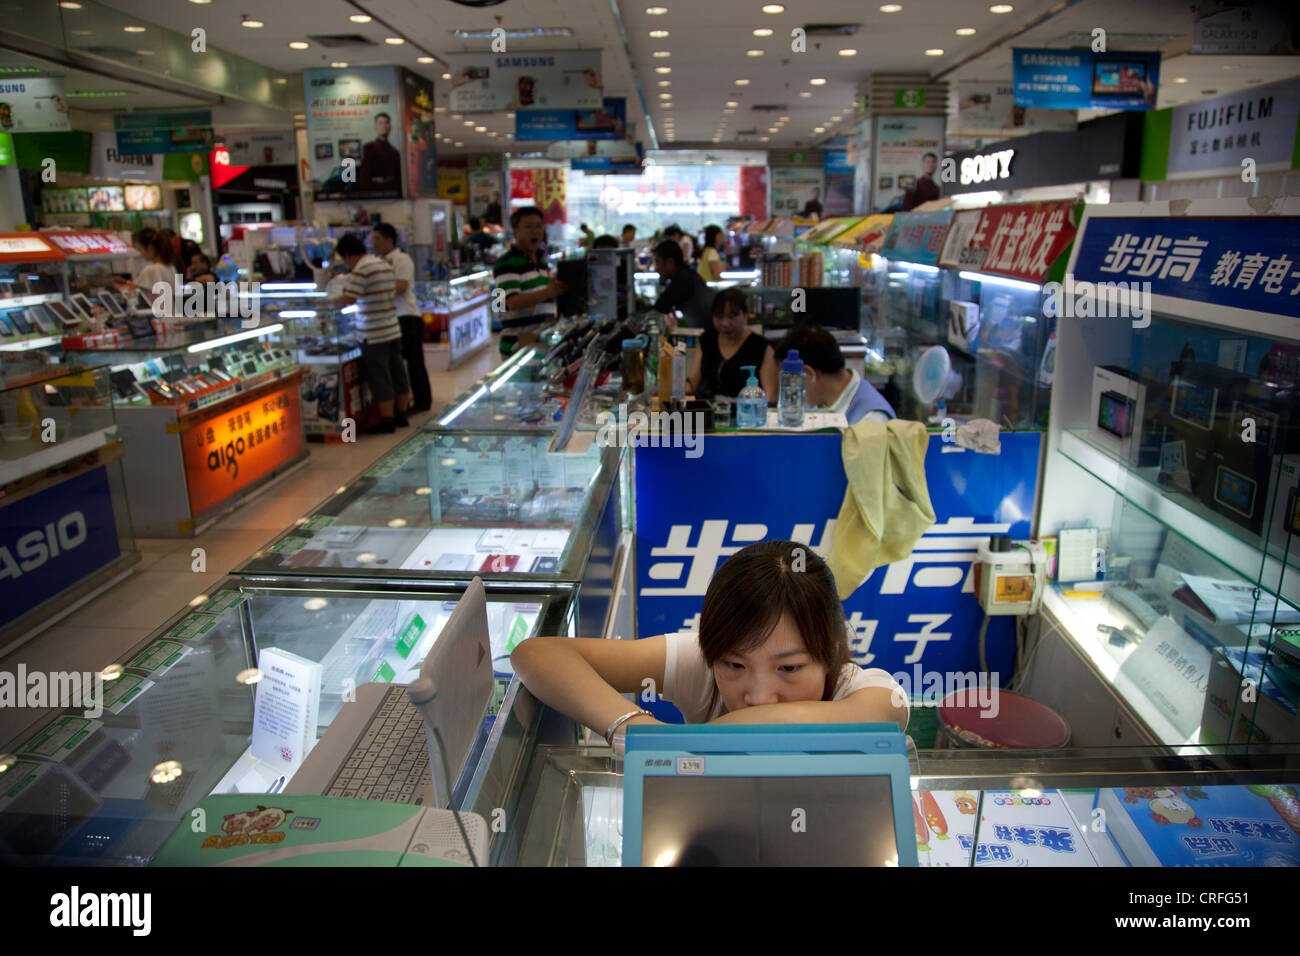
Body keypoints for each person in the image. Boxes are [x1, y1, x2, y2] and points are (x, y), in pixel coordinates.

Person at [511, 540, 908, 752]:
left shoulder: (871, 693)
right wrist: (633, 727)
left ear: (833, 651)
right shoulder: (700, 661)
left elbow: (880, 717)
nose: (759, 696)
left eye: (789, 668)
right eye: (734, 666)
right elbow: (538, 654)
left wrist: (672, 744)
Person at [334, 232, 410, 433]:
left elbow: (350, 298)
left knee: (381, 377)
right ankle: (402, 415)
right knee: (398, 373)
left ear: (348, 256)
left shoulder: (361, 269)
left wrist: (330, 301)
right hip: (392, 328)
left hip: (374, 333)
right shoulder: (382, 264)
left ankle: (387, 421)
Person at [774, 325, 896, 424]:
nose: (793, 388)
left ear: (809, 374)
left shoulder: (872, 419)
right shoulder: (819, 399)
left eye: (793, 380)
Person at [372, 222, 431, 414]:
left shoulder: (401, 259)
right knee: (398, 365)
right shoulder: (376, 261)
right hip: (390, 319)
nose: (374, 243)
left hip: (407, 317)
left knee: (414, 363)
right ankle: (402, 403)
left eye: (377, 238)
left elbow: (402, 285)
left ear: (390, 239)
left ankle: (423, 401)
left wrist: (376, 291)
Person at [492, 205, 565, 355]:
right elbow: (510, 302)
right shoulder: (506, 263)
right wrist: (548, 292)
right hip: (518, 343)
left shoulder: (542, 262)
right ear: (515, 230)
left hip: (540, 339)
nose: (536, 231)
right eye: (529, 226)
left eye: (539, 226)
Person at [688, 287, 777, 400]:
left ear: (745, 315)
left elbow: (771, 394)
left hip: (747, 412)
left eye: (732, 316)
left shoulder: (761, 347)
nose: (725, 323)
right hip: (710, 410)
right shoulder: (707, 341)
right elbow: (692, 382)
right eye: (719, 317)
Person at [651, 239, 713, 331]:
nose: (655, 268)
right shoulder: (689, 275)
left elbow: (659, 309)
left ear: (670, 262)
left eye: (657, 262)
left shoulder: (682, 279)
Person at [358, 112, 401, 191]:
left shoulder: (395, 152)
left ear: (390, 127)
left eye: (386, 123)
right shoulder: (368, 148)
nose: (383, 126)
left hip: (391, 194)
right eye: (380, 123)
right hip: (373, 194)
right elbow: (364, 177)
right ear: (376, 126)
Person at [132, 227, 177, 300]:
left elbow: (135, 289)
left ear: (150, 248)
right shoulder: (170, 267)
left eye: (140, 248)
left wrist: (114, 285)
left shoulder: (152, 269)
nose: (141, 253)